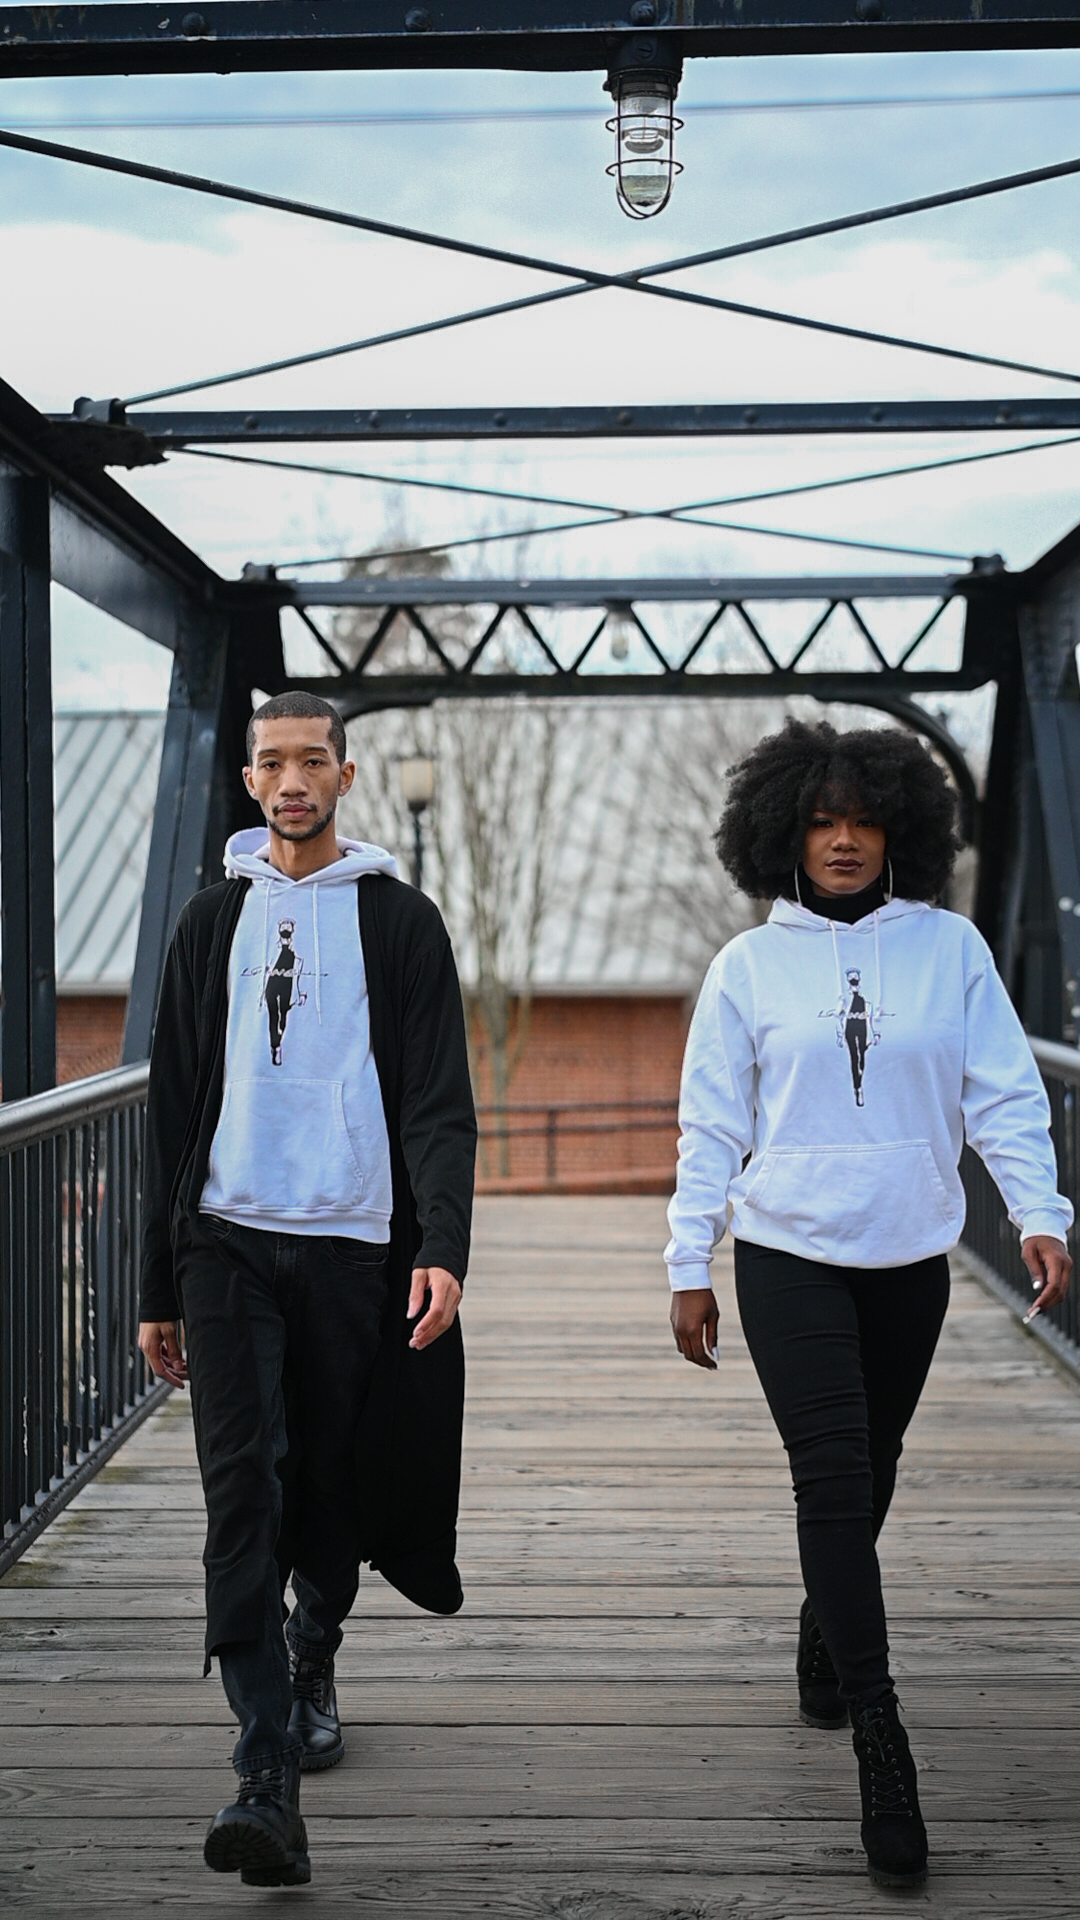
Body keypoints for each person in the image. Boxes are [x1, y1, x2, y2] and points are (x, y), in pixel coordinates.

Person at [665, 718, 1073, 1890]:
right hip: (786, 1249)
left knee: (874, 1468)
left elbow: (1004, 1094)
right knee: (834, 1477)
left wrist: (1039, 1213)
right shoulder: (748, 968)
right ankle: (883, 1744)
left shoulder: (952, 949)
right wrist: (689, 1259)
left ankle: (822, 1626)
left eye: (863, 820)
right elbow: (712, 1123)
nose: (843, 841)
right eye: (820, 822)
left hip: (909, 1254)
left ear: (902, 831)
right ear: (782, 835)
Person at [138, 691, 476, 1889]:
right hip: (226, 1242)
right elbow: (170, 1105)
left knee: (331, 1480)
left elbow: (438, 1097)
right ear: (248, 780)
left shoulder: (400, 920)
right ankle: (263, 1765)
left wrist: (444, 1243)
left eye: (312, 761)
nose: (292, 780)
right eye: (272, 762)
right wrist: (156, 1281)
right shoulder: (208, 921)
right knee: (244, 1489)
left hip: (352, 1243)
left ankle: (314, 1644)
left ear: (345, 775)